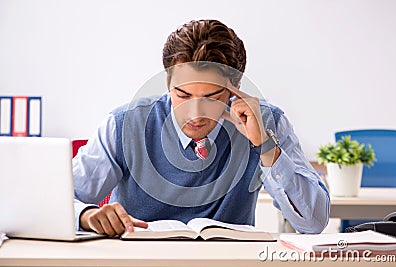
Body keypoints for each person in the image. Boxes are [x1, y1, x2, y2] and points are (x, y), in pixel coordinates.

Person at [73, 19, 330, 236]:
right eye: (183, 95)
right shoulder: (124, 125)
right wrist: (86, 216)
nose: (194, 114)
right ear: (168, 82)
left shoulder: (266, 122)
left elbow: (313, 223)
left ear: (235, 88)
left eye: (211, 98)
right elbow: (56, 202)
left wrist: (265, 146)